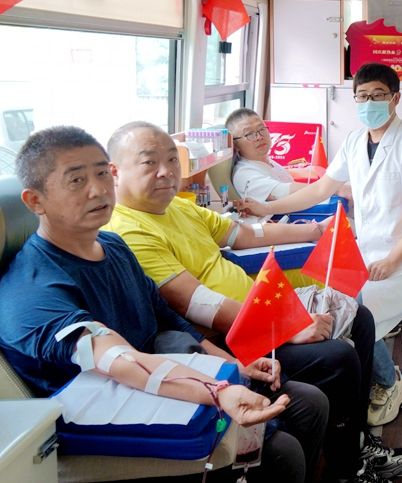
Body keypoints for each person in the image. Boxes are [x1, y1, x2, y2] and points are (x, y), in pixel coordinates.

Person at [0, 126, 325, 483]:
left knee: (308, 405)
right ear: (35, 201)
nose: (98, 190)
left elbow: (167, 317)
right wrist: (218, 390)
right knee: (282, 453)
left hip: (164, 381)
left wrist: (235, 365)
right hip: (107, 422)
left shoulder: (114, 247)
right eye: (76, 180)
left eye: (101, 173)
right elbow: (116, 358)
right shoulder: (30, 291)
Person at [102, 121, 402, 483]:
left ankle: (355, 438)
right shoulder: (128, 230)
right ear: (115, 172)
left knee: (359, 316)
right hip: (233, 336)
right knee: (336, 357)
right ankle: (348, 466)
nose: (166, 171)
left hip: (260, 309)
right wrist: (288, 325)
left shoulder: (178, 208)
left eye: (172, 159)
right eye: (149, 162)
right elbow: (196, 303)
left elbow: (245, 234)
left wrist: (314, 230)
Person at [238, 63, 402, 427]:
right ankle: (370, 385)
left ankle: (387, 383)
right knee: (328, 303)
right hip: (366, 252)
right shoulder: (353, 141)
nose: (370, 102)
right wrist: (266, 208)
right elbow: (320, 189)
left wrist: (394, 259)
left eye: (378, 95)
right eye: (362, 96)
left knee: (355, 313)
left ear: (395, 98)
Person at [225, 107, 350, 202]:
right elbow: (282, 191)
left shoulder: (268, 162)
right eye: (249, 134)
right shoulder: (244, 174)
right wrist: (333, 189)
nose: (259, 137)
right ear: (235, 144)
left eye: (261, 129)